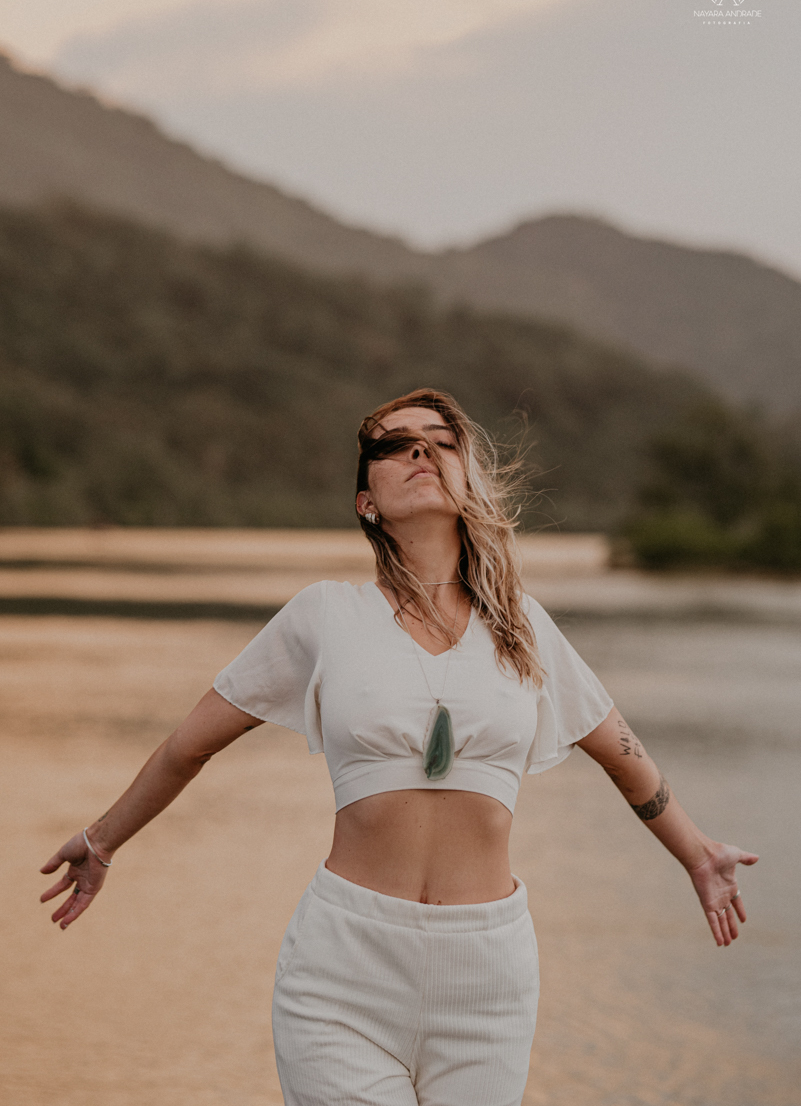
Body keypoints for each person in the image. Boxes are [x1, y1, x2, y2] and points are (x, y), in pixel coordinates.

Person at [40, 388, 758, 1106]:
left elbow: (623, 755)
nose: (421, 450)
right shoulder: (324, 616)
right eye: (395, 444)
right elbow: (187, 748)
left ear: (467, 480)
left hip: (488, 977)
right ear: (366, 503)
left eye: (442, 441)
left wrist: (697, 855)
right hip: (344, 967)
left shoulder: (522, 628)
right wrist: (102, 841)